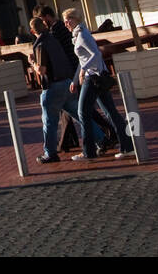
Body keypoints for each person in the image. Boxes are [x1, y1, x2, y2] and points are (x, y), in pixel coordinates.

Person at [63, 7, 135, 161]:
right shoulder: (79, 34)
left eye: (67, 20)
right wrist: (75, 80)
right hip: (96, 77)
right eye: (65, 21)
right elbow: (83, 60)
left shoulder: (82, 34)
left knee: (83, 113)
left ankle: (89, 152)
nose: (66, 24)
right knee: (110, 112)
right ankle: (128, 146)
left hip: (93, 78)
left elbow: (96, 54)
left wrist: (83, 71)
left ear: (75, 19)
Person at [30, 17, 104, 164]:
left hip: (52, 86)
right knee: (79, 114)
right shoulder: (53, 39)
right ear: (44, 25)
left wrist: (31, 62)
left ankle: (50, 153)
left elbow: (42, 70)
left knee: (49, 122)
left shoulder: (40, 44)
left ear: (32, 31)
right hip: (67, 82)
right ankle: (101, 138)